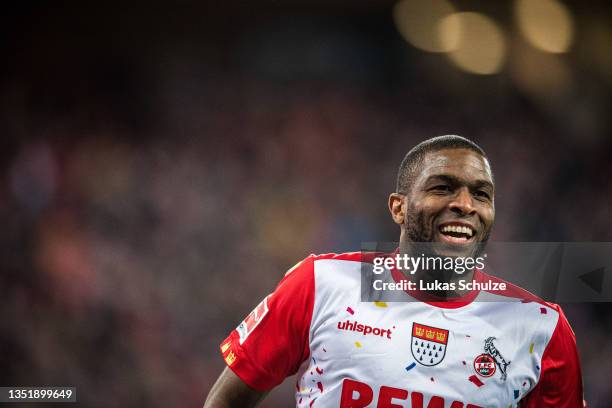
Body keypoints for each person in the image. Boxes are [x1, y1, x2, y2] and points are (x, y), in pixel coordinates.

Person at [204, 135, 584, 407]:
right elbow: (229, 399)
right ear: (398, 208)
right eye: (443, 187)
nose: (465, 204)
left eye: (481, 194)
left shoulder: (541, 328)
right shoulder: (321, 284)